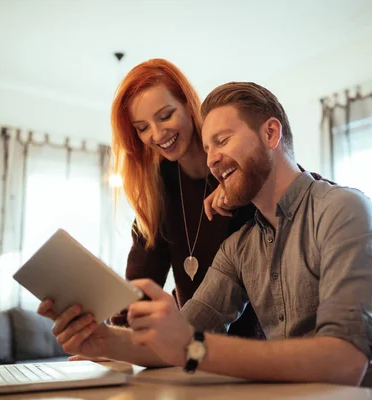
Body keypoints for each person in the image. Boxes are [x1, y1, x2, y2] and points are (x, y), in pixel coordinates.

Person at [38, 82, 372, 390]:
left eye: (222, 141)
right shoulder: (240, 247)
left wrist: (191, 347)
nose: (212, 159)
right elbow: (182, 333)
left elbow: (344, 364)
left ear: (270, 133)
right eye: (207, 148)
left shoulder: (344, 210)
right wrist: (101, 339)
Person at [107, 58, 262, 338]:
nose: (156, 135)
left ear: (189, 106)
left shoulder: (240, 165)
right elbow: (140, 285)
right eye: (142, 128)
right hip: (197, 350)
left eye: (165, 116)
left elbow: (294, 187)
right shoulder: (159, 187)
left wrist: (240, 185)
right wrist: (111, 341)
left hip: (259, 347)